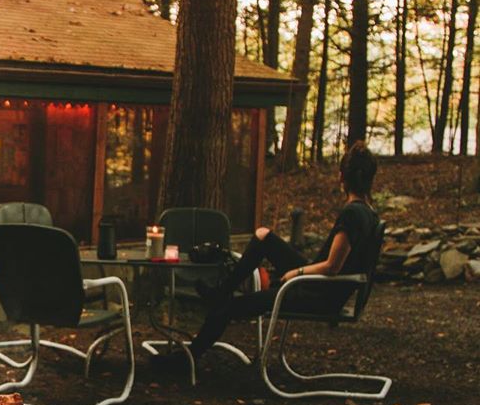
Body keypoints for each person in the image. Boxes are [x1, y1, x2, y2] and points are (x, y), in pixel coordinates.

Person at [159, 141, 380, 373]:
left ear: (342, 177)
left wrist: (297, 272)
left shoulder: (352, 214)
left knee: (228, 307)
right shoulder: (368, 213)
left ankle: (187, 360)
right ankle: (220, 291)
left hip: (317, 293)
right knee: (263, 236)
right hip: (321, 287)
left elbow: (333, 267)